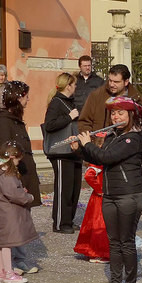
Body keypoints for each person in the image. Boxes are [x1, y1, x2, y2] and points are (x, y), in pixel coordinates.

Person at [77, 97, 142, 283]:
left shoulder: (132, 138)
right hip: (111, 194)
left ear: (130, 116)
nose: (116, 116)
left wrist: (88, 144)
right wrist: (82, 148)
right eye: (114, 113)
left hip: (129, 195)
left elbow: (107, 158)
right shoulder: (112, 135)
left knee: (126, 241)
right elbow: (98, 158)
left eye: (121, 113)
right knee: (113, 241)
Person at [0, 82, 42, 281]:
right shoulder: (4, 121)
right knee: (12, 222)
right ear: (17, 97)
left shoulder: (14, 118)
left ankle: (19, 258)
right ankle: (11, 263)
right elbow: (7, 152)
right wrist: (16, 179)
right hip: (15, 178)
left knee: (21, 219)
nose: (28, 100)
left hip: (22, 175)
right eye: (26, 96)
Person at [42, 72, 83, 233]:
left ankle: (69, 220)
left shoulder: (70, 102)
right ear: (68, 86)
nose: (76, 87)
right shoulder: (56, 103)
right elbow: (49, 125)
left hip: (73, 150)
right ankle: (60, 223)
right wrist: (69, 116)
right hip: (60, 151)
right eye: (74, 85)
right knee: (63, 189)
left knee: (74, 189)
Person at [0, 144, 38, 283]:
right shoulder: (6, 176)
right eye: (18, 160)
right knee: (7, 243)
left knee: (1, 242)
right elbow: (14, 194)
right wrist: (29, 197)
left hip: (1, 211)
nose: (18, 163)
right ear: (12, 157)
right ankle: (9, 273)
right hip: (9, 213)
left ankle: (0, 270)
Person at [78, 64, 142, 133]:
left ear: (126, 82)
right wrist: (91, 140)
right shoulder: (96, 96)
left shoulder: (136, 98)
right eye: (110, 80)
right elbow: (84, 122)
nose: (111, 84)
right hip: (99, 142)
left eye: (116, 82)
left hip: (127, 141)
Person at [73, 164, 109, 264]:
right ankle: (98, 252)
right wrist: (99, 189)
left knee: (99, 223)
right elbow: (88, 175)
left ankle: (99, 251)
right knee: (100, 225)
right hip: (100, 198)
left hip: (102, 197)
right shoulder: (98, 162)